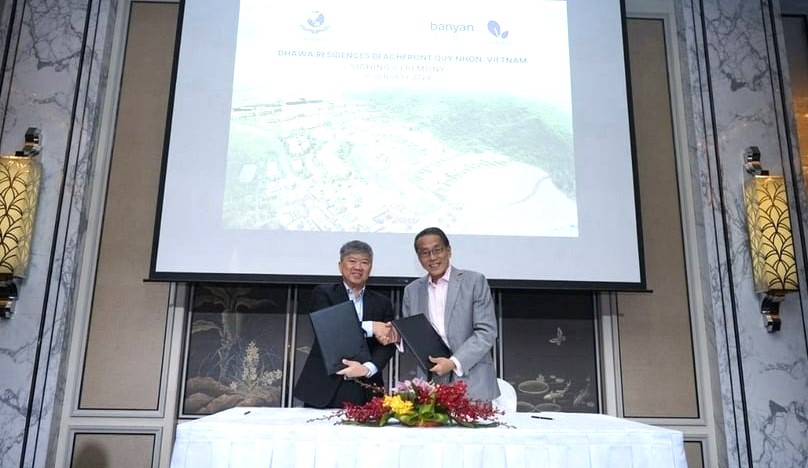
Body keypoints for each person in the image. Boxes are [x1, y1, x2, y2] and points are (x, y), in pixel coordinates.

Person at [390, 227, 500, 401]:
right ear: (419, 258)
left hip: (474, 384)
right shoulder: (412, 291)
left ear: (449, 250)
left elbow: (486, 332)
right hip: (432, 386)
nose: (432, 257)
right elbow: (414, 337)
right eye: (425, 253)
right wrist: (396, 336)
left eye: (437, 250)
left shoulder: (474, 282)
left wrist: (453, 362)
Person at [294, 240, 396, 408]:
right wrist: (371, 327)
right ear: (340, 265)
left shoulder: (382, 302)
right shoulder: (323, 293)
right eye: (352, 261)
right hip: (324, 385)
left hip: (366, 386)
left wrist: (368, 368)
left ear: (370, 268)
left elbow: (388, 343)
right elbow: (327, 328)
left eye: (364, 262)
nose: (358, 267)